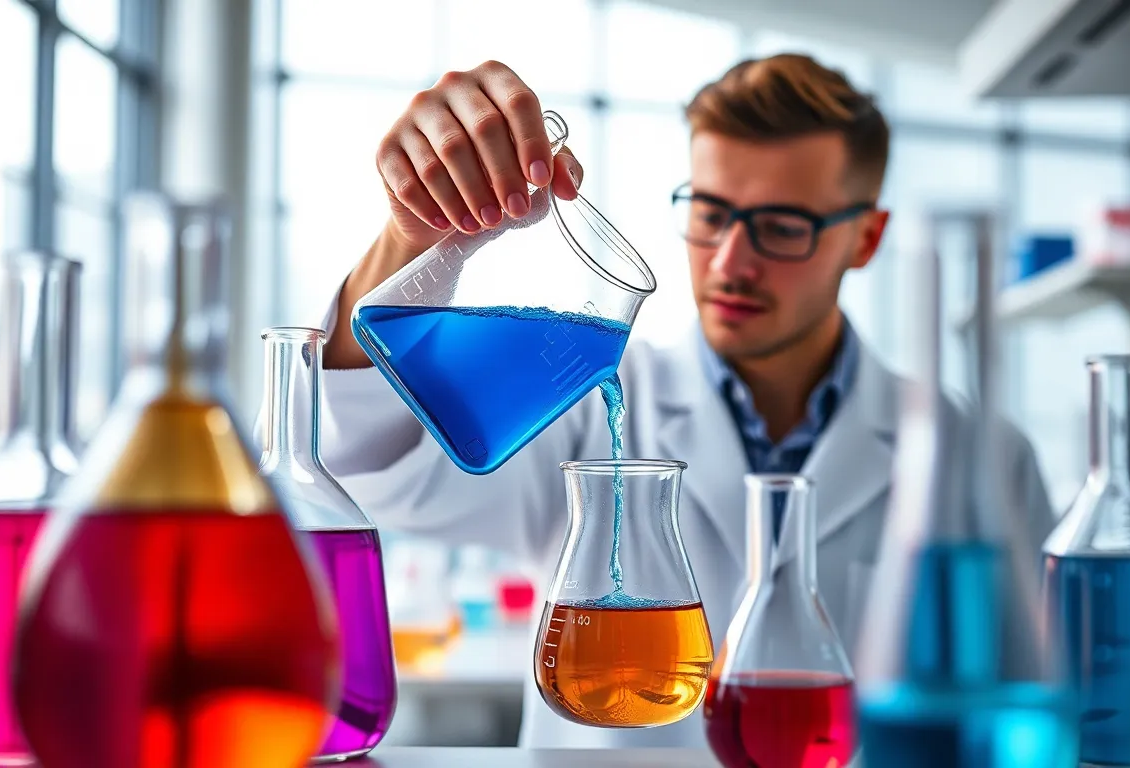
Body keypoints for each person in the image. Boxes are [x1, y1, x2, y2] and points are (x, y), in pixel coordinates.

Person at [309, 54, 1055, 748]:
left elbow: (1032, 706)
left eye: (781, 227)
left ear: (866, 238)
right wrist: (409, 239)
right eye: (710, 212)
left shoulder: (979, 453)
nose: (731, 261)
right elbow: (367, 463)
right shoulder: (584, 402)